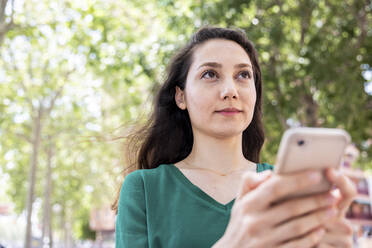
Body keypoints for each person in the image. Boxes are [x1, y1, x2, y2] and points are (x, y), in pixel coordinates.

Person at [113, 26, 356, 247]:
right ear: (181, 96)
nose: (230, 90)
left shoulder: (282, 186)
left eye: (243, 75)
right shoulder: (143, 188)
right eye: (210, 74)